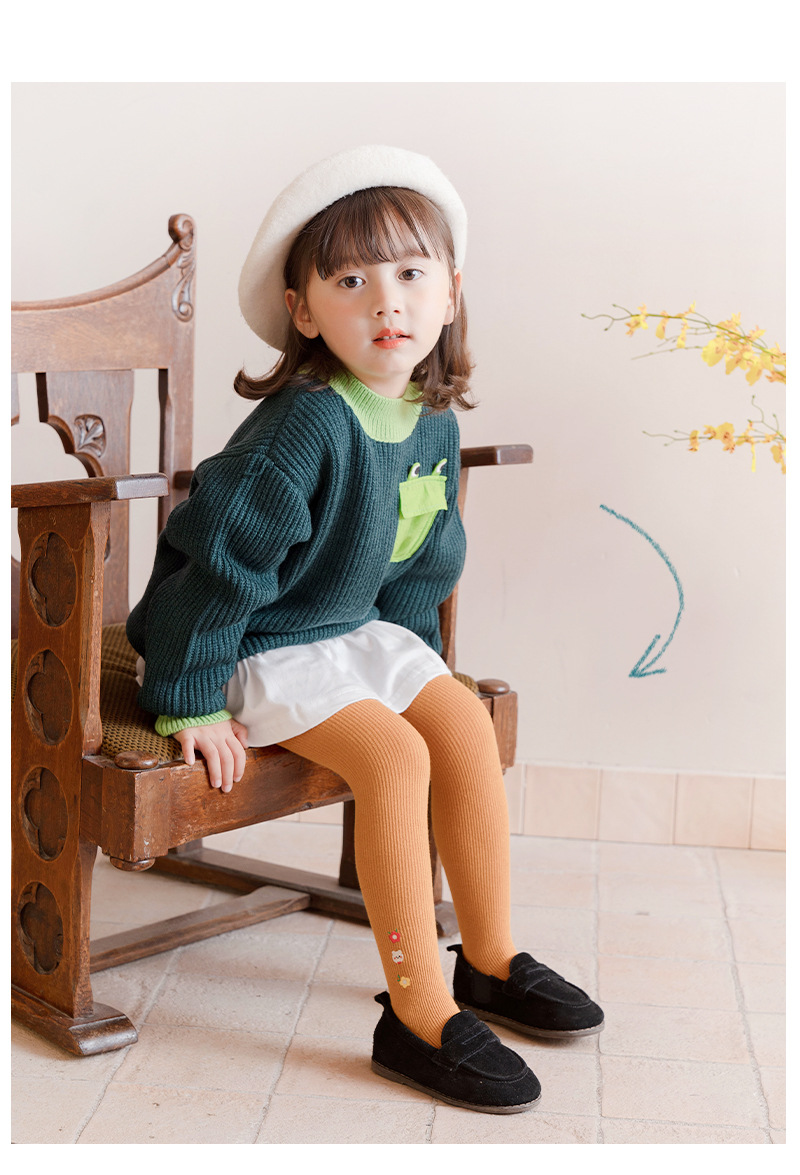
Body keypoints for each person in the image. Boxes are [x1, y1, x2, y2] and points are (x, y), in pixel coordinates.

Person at [127, 144, 603, 1114]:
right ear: (303, 311)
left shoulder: (429, 417)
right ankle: (417, 1012)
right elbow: (218, 564)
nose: (387, 301)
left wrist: (420, 673)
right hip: (254, 639)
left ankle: (489, 957)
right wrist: (188, 697)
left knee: (458, 721)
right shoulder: (303, 425)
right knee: (392, 756)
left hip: (348, 630)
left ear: (450, 291)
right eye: (350, 281)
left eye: (410, 274)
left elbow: (424, 562)